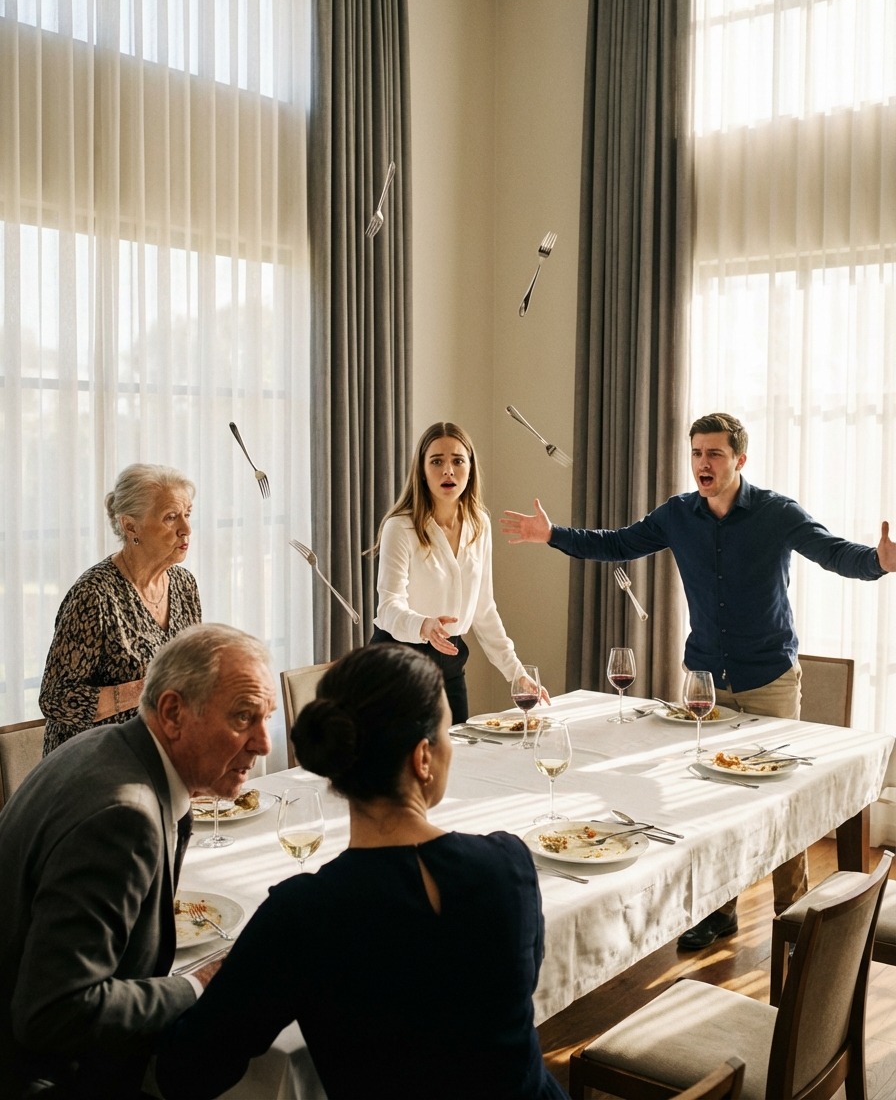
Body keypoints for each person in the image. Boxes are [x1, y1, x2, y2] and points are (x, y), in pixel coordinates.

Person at [502, 411, 895, 949]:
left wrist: (878, 561)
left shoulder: (777, 512)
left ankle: (793, 912)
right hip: (705, 682)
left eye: (714, 453)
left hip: (770, 679)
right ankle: (718, 910)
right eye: (696, 453)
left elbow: (832, 552)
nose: (702, 463)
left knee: (784, 801)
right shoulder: (677, 515)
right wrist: (552, 535)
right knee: (710, 798)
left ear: (739, 460)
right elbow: (617, 544)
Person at [155, 642, 568, 1100]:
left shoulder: (302, 915)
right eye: (448, 733)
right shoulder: (508, 864)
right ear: (422, 758)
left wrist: (219, 977)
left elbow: (188, 1073)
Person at [0, 622, 275, 1100]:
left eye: (266, 718)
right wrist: (197, 984)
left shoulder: (104, 747)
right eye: (242, 717)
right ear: (172, 713)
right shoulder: (123, 817)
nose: (264, 743)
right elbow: (53, 1012)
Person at [369, 420, 544, 724]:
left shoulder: (479, 524)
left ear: (470, 469)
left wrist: (516, 673)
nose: (448, 471)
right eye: (437, 461)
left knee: (459, 749)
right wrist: (423, 625)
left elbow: (483, 609)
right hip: (397, 663)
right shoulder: (400, 528)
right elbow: (388, 608)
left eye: (458, 461)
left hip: (450, 661)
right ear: (422, 471)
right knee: (407, 755)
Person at [39, 463, 202, 754]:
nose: (186, 529)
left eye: (187, 514)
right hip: (91, 762)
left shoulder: (184, 584)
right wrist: (147, 689)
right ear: (130, 526)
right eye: (171, 517)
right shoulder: (94, 594)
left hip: (157, 755)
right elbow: (55, 699)